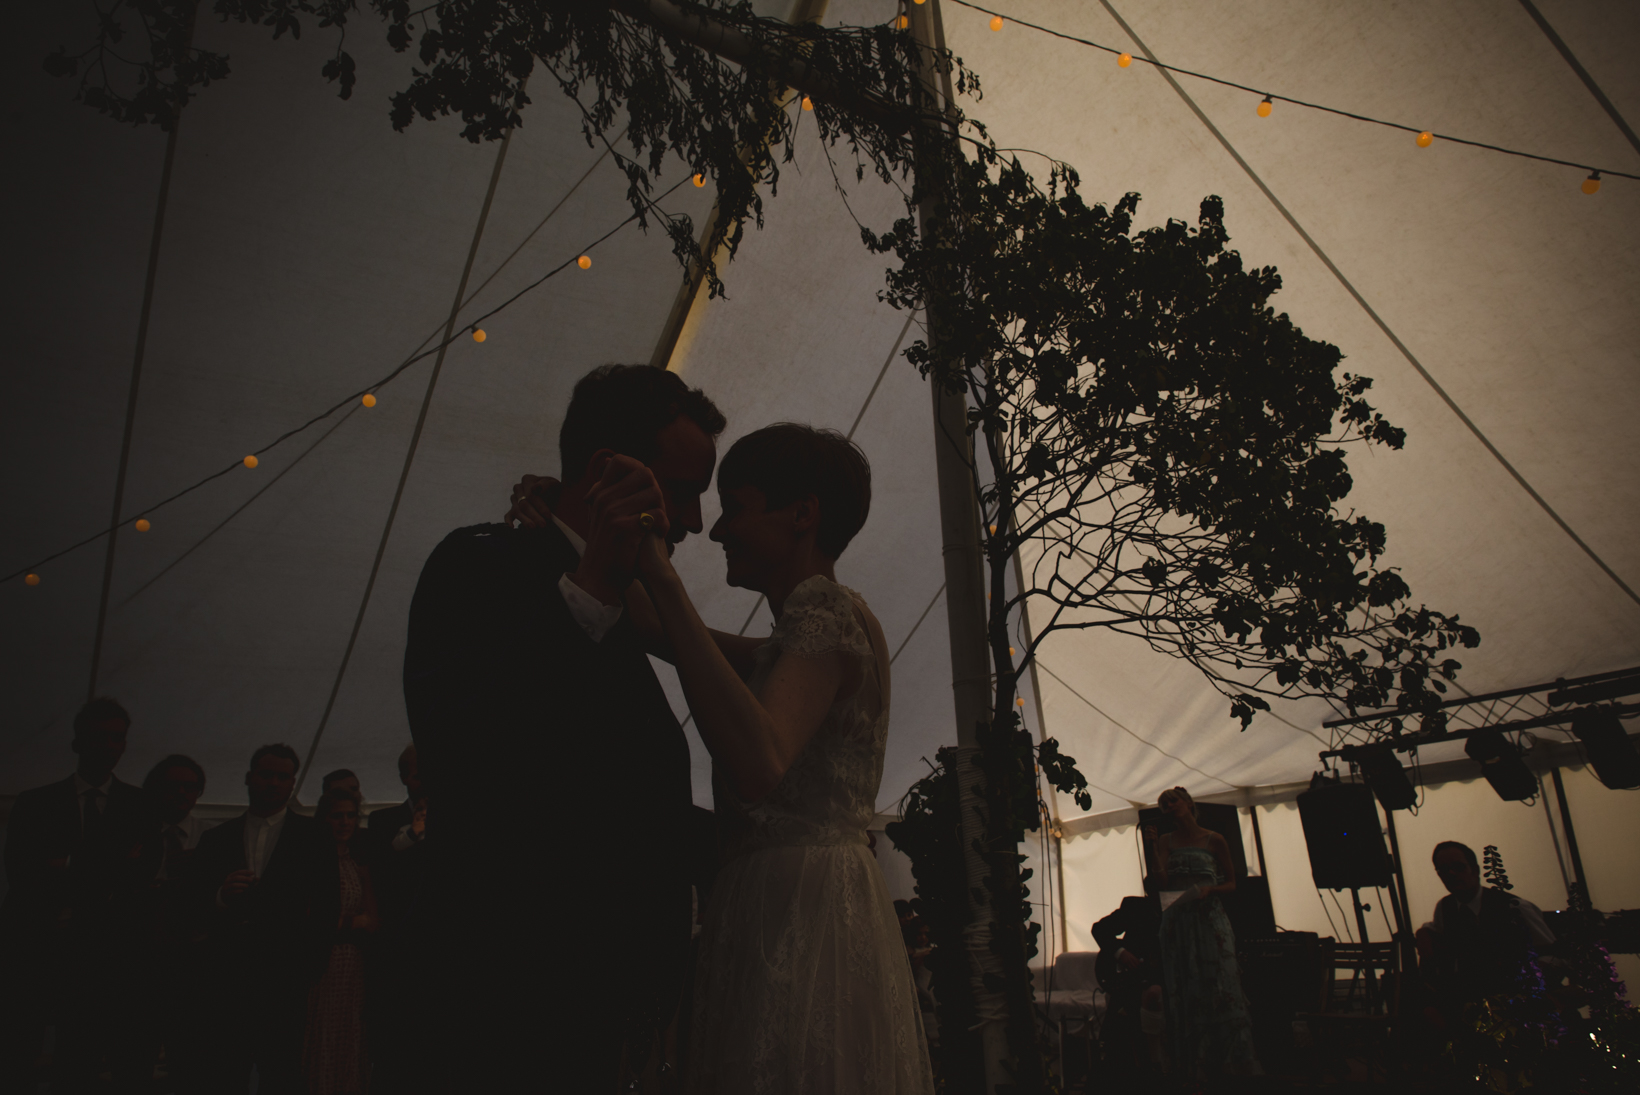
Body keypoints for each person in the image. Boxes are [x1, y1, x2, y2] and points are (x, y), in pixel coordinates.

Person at [402, 364, 726, 1090]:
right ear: (606, 471)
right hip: (500, 1015)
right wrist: (590, 585)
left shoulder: (628, 609)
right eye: (680, 492)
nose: (696, 522)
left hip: (601, 1027)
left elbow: (619, 800)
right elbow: (476, 757)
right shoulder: (477, 566)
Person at [630, 422, 935, 1094]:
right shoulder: (813, 632)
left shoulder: (822, 610)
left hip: (799, 909)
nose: (716, 531)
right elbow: (664, 635)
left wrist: (660, 570)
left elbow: (760, 760)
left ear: (802, 515)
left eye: (736, 506)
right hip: (809, 895)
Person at [0, 697, 146, 1092]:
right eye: (100, 737)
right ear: (78, 742)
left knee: (79, 1061)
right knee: (18, 1056)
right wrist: (106, 867)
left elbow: (138, 879)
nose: (109, 746)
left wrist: (63, 863)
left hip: (101, 955)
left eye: (118, 738)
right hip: (38, 949)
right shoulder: (35, 802)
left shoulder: (140, 806)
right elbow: (22, 874)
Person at [188, 743, 326, 1094]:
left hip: (285, 982)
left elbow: (328, 907)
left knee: (280, 1074)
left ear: (292, 784)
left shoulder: (314, 837)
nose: (273, 783)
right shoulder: (215, 839)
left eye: (282, 777)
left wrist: (309, 969)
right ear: (249, 778)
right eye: (266, 774)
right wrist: (221, 897)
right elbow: (191, 905)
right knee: (224, 1074)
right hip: (225, 980)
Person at [1146, 785, 1259, 1080]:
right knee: (1185, 988)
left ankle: (1231, 1064)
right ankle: (1194, 1066)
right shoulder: (1166, 841)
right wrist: (1153, 850)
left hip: (1208, 918)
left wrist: (1210, 889)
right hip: (1178, 920)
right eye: (1164, 805)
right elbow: (1161, 880)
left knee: (1218, 983)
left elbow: (1232, 883)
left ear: (1188, 803)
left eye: (1173, 802)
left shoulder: (1215, 839)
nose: (1169, 808)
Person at [1416, 840, 1555, 1010]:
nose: (1451, 873)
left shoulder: (1514, 907)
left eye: (1458, 867)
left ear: (1475, 870)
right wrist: (1422, 932)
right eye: (1443, 870)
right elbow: (1436, 929)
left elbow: (1554, 955)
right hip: (1471, 1004)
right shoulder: (1446, 907)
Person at [303, 789, 379, 1095]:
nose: (345, 821)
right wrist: (351, 922)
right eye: (337, 815)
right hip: (322, 963)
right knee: (324, 1035)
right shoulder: (312, 860)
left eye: (350, 815)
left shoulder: (354, 862)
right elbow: (303, 917)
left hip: (353, 965)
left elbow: (373, 921)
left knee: (349, 1036)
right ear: (324, 818)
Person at [1090, 881, 1164, 1075]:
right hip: (1137, 979)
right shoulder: (1136, 907)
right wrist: (1120, 952)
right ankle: (1152, 1064)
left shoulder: (1184, 911)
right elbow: (1099, 928)